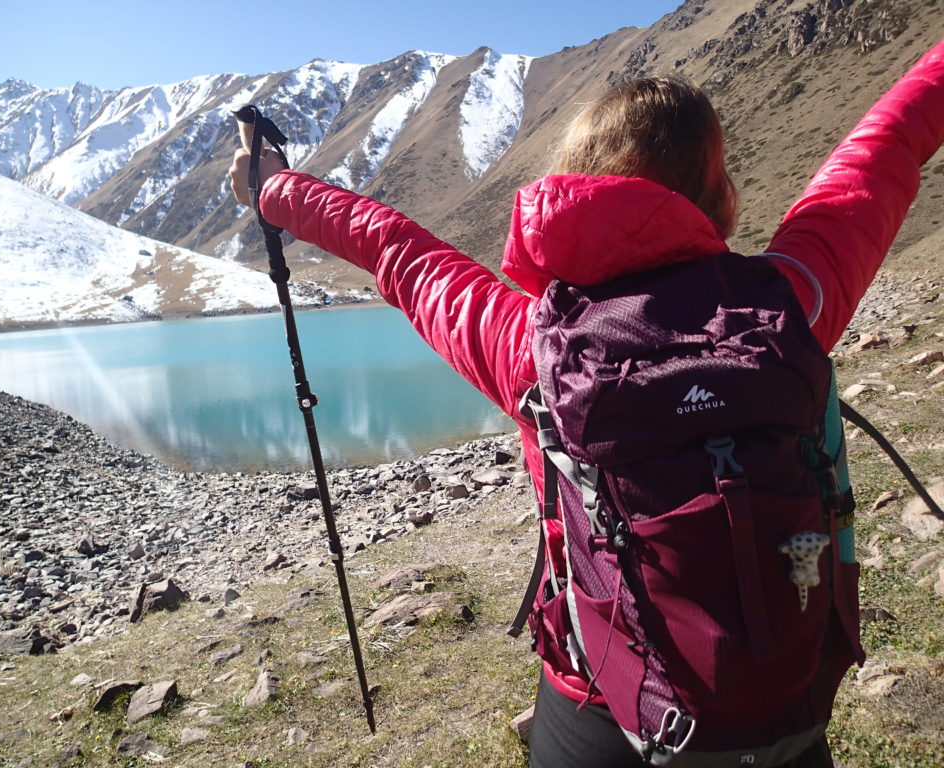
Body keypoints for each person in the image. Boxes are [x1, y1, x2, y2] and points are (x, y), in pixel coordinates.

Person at [229, 40, 944, 767]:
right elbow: (885, 148)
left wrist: (277, 190)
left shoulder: (532, 347)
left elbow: (399, 252)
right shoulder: (791, 301)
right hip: (782, 711)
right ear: (718, 193)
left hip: (600, 708)